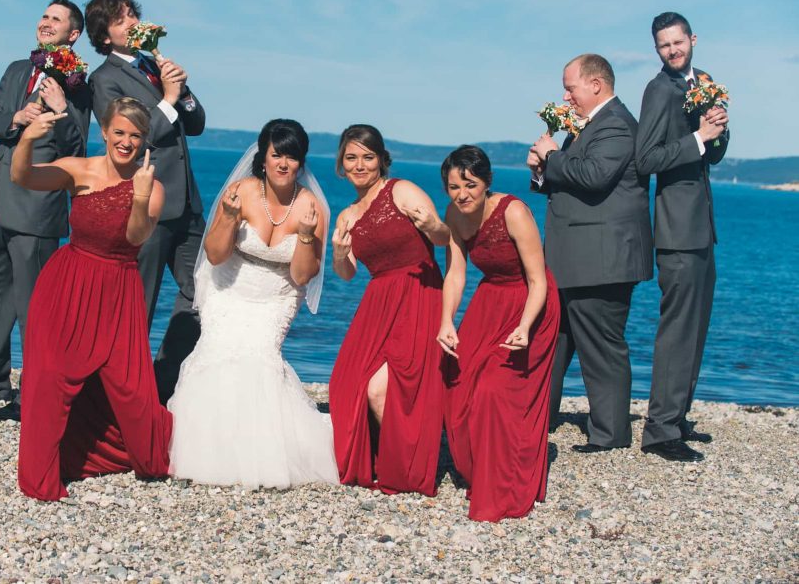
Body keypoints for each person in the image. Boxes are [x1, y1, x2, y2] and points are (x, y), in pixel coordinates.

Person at [13, 97, 172, 501]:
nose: (126, 142)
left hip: (119, 289)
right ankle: (42, 476)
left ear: (144, 141)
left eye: (135, 135)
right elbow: (23, 177)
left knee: (133, 393)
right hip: (67, 283)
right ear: (104, 131)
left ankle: (128, 451)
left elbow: (136, 237)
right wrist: (26, 140)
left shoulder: (153, 187)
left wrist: (138, 196)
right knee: (49, 377)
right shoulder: (78, 168)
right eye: (119, 132)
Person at [167, 119, 338, 488]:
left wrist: (307, 237)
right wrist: (229, 218)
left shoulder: (311, 209)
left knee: (259, 360)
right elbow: (214, 255)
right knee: (217, 355)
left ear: (301, 163)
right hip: (230, 285)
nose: (283, 163)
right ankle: (208, 448)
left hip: (276, 296)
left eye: (292, 157)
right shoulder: (241, 192)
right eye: (277, 155)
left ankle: (260, 452)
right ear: (263, 158)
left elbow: (304, 276)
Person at [0, 0, 92, 422]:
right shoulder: (16, 69)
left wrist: (59, 111)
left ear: (73, 34)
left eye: (56, 19)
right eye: (44, 16)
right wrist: (17, 116)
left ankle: (31, 393)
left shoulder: (76, 81)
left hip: (39, 207)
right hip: (3, 199)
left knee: (34, 305)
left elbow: (77, 147)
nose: (46, 23)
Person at [85, 0, 206, 404]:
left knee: (203, 290)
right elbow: (134, 136)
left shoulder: (155, 64)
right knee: (139, 301)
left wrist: (183, 91)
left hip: (187, 202)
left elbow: (198, 124)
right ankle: (120, 392)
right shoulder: (104, 79)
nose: (132, 22)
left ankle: (165, 377)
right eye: (121, 20)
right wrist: (169, 100)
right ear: (105, 36)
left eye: (134, 14)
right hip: (147, 202)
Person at [529, 54, 653, 453]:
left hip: (602, 261)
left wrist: (551, 156)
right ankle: (537, 419)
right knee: (553, 341)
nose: (566, 97)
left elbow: (594, 176)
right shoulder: (589, 127)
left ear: (596, 85)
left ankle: (610, 435)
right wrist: (541, 171)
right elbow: (570, 179)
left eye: (571, 87)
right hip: (573, 259)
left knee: (601, 348)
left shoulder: (616, 124)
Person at [437, 146, 560, 522]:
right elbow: (456, 275)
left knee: (492, 388)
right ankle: (476, 468)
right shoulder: (454, 216)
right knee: (456, 382)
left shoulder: (514, 212)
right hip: (490, 299)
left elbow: (538, 279)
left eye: (470, 185)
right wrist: (446, 322)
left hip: (530, 305)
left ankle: (504, 482)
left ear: (487, 182)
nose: (462, 194)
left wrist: (524, 326)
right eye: (454, 187)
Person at [329, 124, 449, 496]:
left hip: (419, 291)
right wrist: (336, 252)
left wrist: (434, 226)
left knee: (382, 389)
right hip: (378, 298)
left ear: (382, 159)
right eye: (352, 158)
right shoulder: (347, 215)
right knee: (344, 382)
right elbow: (347, 273)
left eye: (368, 157)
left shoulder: (402, 190)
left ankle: (407, 466)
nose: (360, 165)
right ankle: (383, 456)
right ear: (341, 165)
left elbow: (444, 238)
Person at [635, 12, 729, 462]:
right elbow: (646, 158)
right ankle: (659, 432)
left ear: (693, 38)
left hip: (701, 228)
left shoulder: (703, 81)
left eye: (677, 42)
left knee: (696, 329)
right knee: (677, 332)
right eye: (663, 46)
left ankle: (677, 417)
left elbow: (714, 156)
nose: (672, 50)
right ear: (657, 50)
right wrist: (698, 137)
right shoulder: (658, 90)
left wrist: (719, 130)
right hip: (675, 231)